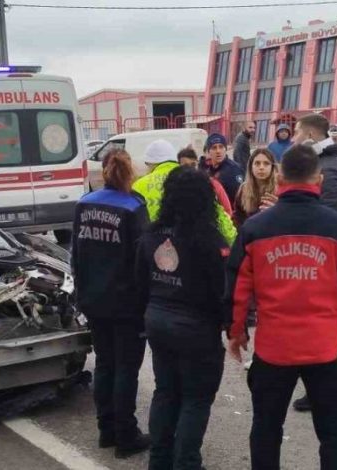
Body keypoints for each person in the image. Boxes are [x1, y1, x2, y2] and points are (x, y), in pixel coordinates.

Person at [227, 144, 337, 470]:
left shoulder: (255, 228)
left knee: (266, 429)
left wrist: (236, 331)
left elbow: (238, 286)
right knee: (333, 433)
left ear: (280, 177)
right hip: (326, 349)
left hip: (273, 350)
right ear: (319, 179)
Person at [135, 166, 229, 470]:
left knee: (166, 391)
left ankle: (159, 460)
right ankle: (186, 463)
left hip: (158, 321)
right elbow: (221, 292)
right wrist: (229, 326)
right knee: (195, 399)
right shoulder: (209, 240)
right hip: (195, 328)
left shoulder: (151, 235)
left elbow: (140, 283)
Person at [71, 149, 151, 459]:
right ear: (130, 172)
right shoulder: (133, 207)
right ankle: (126, 435)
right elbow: (143, 261)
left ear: (103, 170)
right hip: (127, 304)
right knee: (126, 369)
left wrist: (81, 295)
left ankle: (106, 430)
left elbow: (76, 255)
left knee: (105, 365)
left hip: (94, 300)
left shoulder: (84, 203)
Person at [290, 114, 337, 422]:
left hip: (330, 265)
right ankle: (318, 390)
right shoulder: (322, 164)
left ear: (309, 135)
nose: (293, 139)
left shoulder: (329, 169)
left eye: (296, 133)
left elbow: (326, 222)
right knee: (313, 330)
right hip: (318, 262)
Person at [133, 139, 237, 245]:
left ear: (150, 163)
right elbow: (220, 216)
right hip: (197, 245)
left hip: (155, 246)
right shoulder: (199, 180)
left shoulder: (138, 185)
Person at [178, 146, 233, 217]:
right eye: (186, 166)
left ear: (197, 163)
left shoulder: (212, 184)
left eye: (193, 165)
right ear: (179, 166)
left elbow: (228, 211)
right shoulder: (175, 188)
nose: (190, 169)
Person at [233, 148, 278, 227]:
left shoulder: (281, 189)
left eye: (266, 163)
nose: (261, 167)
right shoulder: (243, 188)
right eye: (257, 163)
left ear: (272, 167)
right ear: (251, 167)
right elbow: (238, 216)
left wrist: (277, 210)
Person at [205, 133, 245, 205]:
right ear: (208, 151)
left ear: (225, 149)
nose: (218, 151)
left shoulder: (234, 170)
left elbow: (241, 198)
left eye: (221, 147)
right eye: (214, 148)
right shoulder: (208, 172)